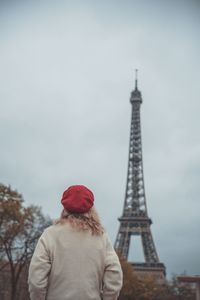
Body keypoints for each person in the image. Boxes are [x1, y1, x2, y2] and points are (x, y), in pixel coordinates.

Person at [28, 185, 123, 300]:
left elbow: (36, 281)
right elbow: (114, 276)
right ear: (90, 208)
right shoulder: (101, 237)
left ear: (65, 207)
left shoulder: (50, 235)